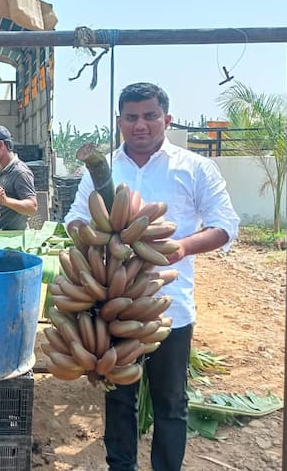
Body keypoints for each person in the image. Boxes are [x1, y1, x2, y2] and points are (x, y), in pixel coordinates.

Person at [64, 82, 240, 471]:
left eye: (149, 116)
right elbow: (75, 217)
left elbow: (225, 225)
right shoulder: (102, 169)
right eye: (131, 117)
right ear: (119, 122)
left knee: (171, 401)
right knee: (118, 396)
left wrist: (182, 247)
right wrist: (95, 238)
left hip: (168, 307)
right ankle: (120, 466)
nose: (140, 125)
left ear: (167, 119)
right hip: (111, 301)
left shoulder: (195, 167)